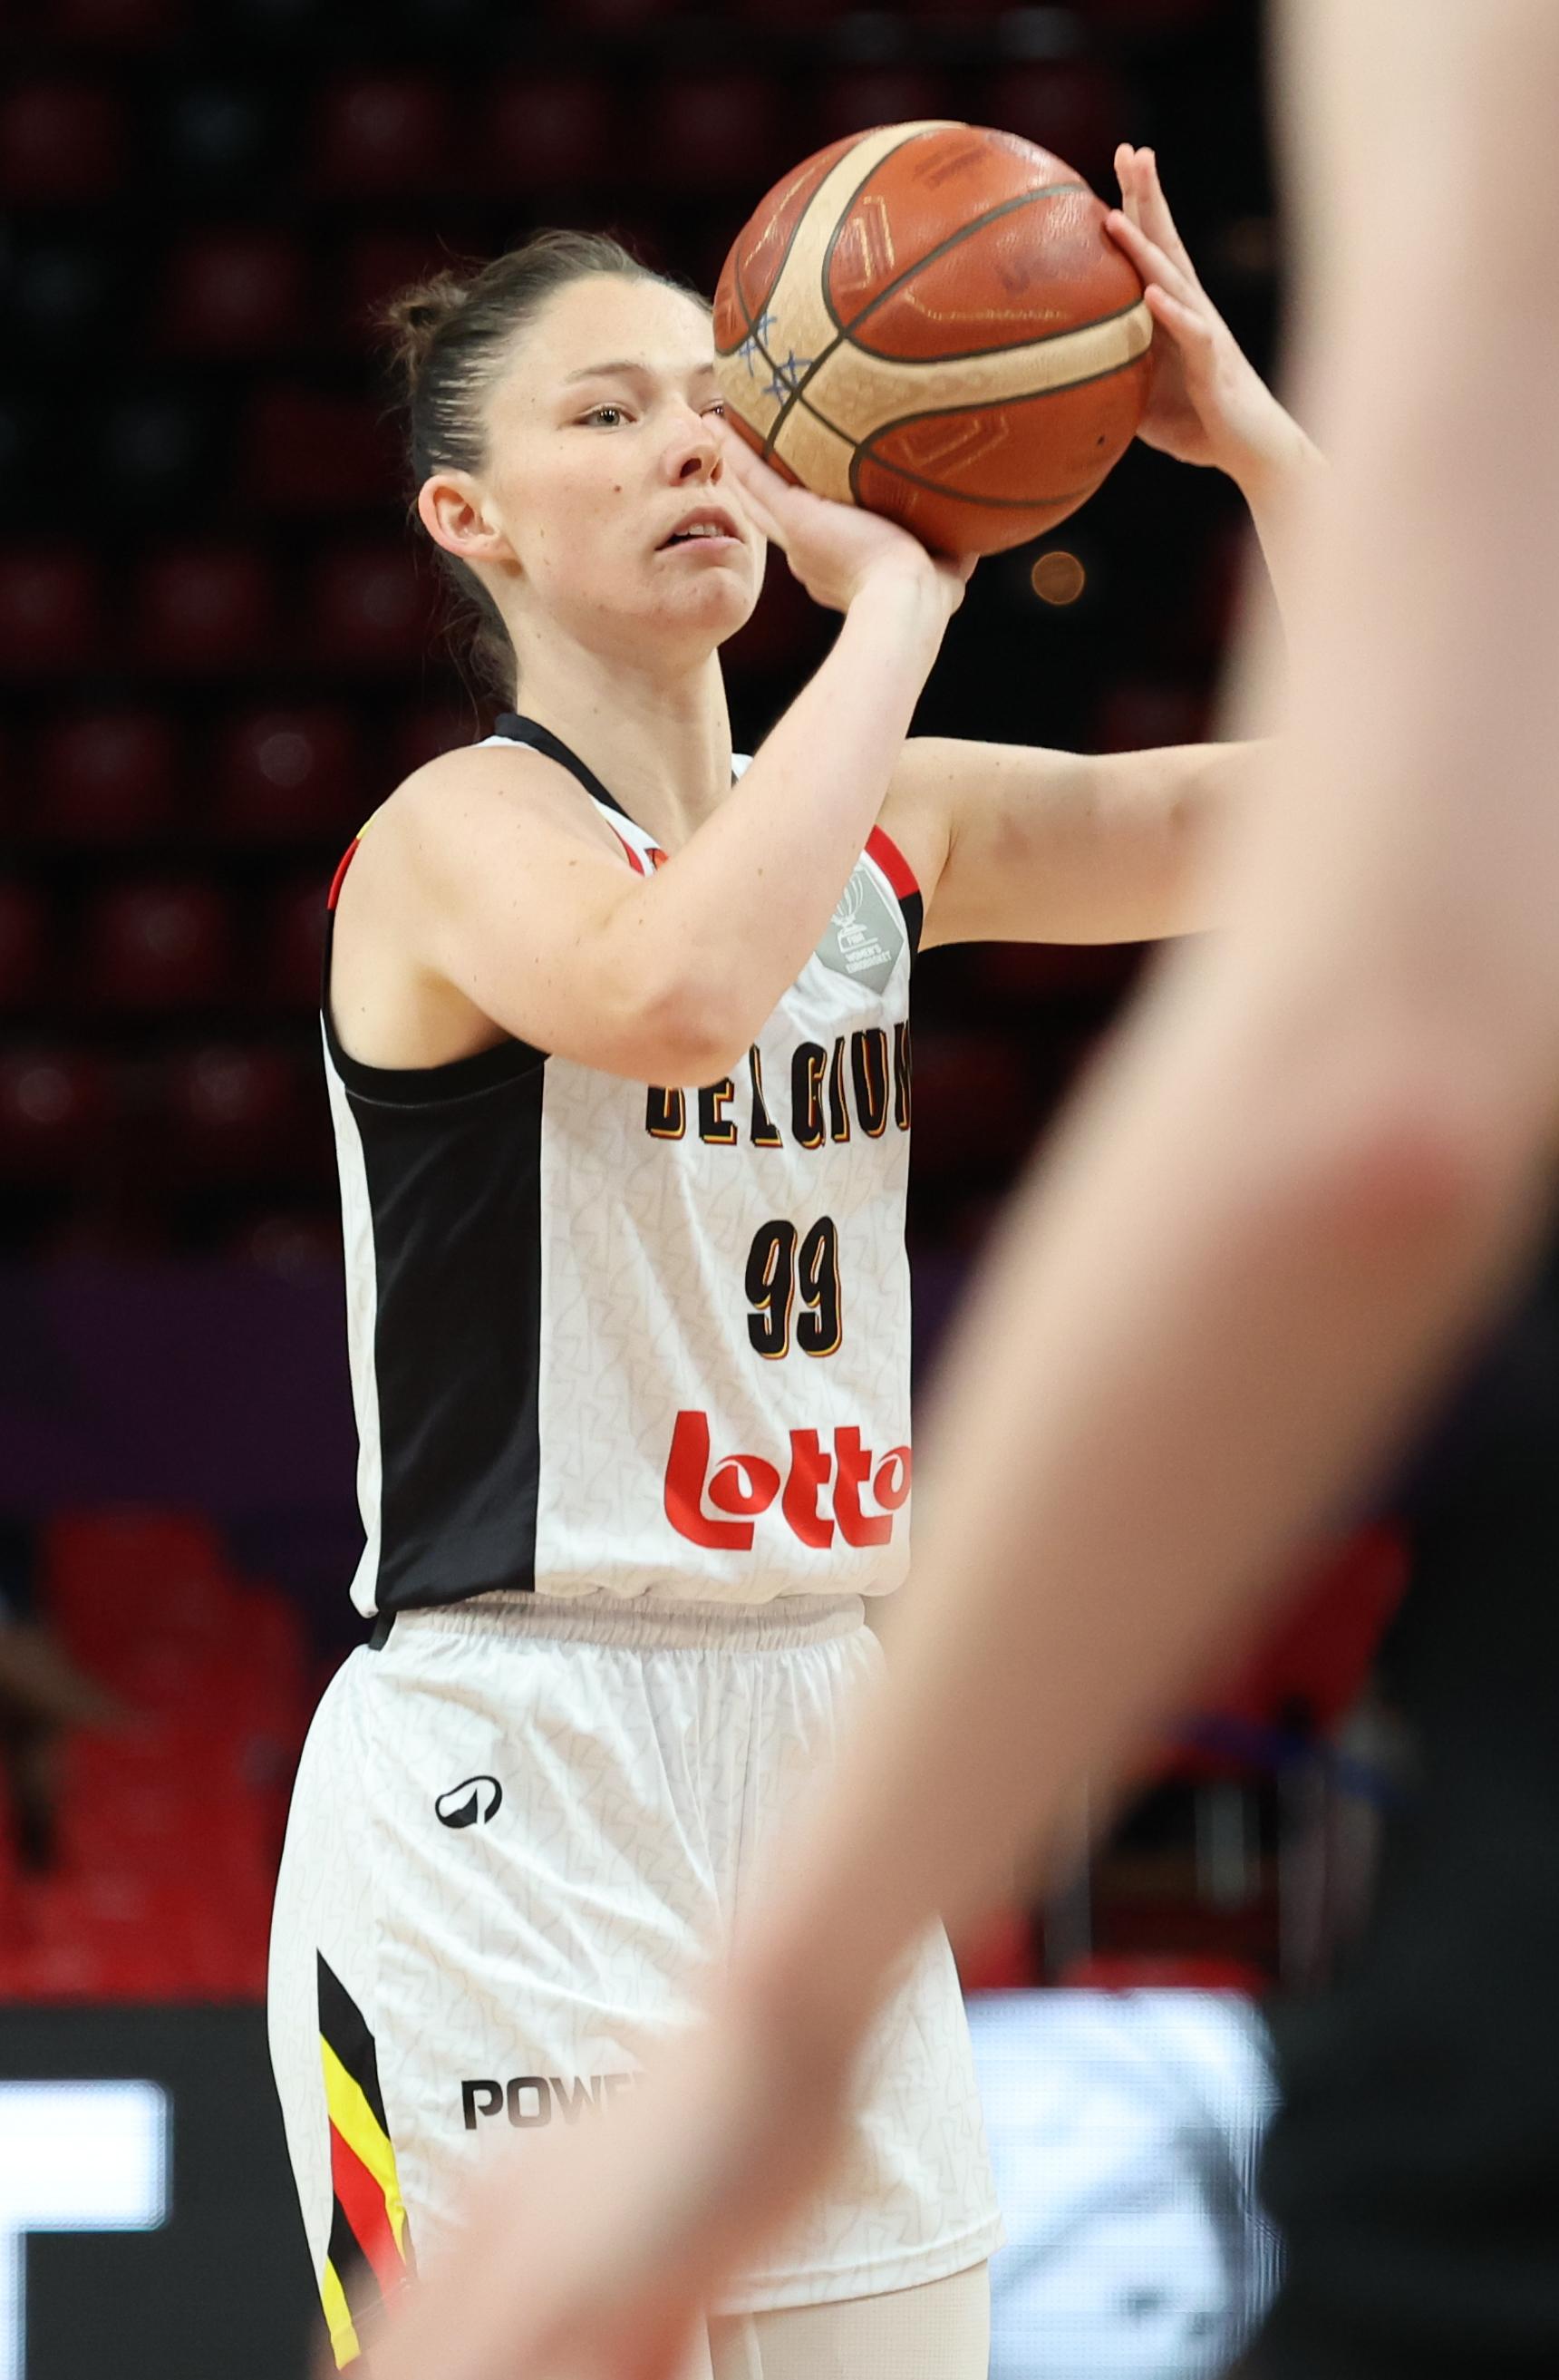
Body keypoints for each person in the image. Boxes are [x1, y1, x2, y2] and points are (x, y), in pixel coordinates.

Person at [352, 5, 1559, 2376]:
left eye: (707, 389)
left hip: (826, 1728)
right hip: (524, 1742)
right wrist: (904, 598)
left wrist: (1249, 440)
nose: (687, 436)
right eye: (604, 414)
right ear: (471, 525)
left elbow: (1378, 831)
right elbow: (683, 987)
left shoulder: (904, 823)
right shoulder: (451, 841)